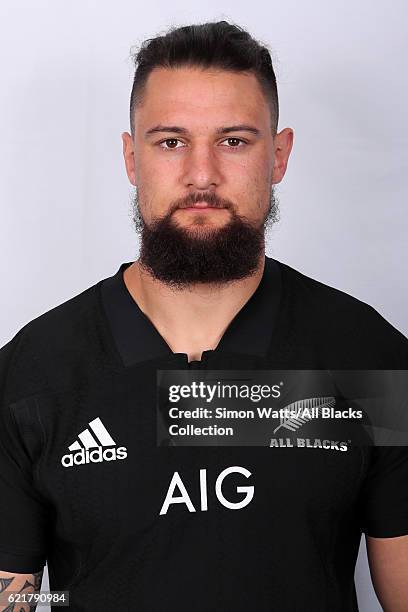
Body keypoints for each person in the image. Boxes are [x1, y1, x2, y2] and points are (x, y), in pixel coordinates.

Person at [0, 20, 407, 612]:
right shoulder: (33, 374)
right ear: (131, 156)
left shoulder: (370, 360)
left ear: (280, 154)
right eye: (170, 141)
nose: (201, 175)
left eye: (234, 141)